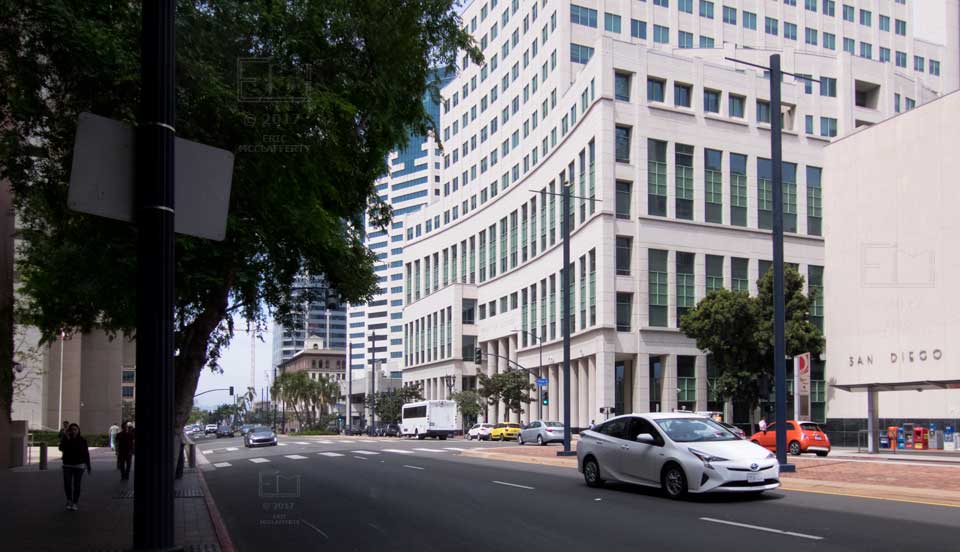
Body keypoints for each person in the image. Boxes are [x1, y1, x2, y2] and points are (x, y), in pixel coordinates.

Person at [59, 423, 91, 511]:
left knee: (77, 485)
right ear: (69, 431)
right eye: (72, 429)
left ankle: (75, 502)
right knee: (67, 484)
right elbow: (61, 448)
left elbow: (86, 453)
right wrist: (66, 438)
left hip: (79, 465)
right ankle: (69, 500)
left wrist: (88, 466)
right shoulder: (66, 439)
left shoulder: (82, 440)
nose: (73, 431)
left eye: (75, 429)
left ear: (78, 430)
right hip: (67, 465)